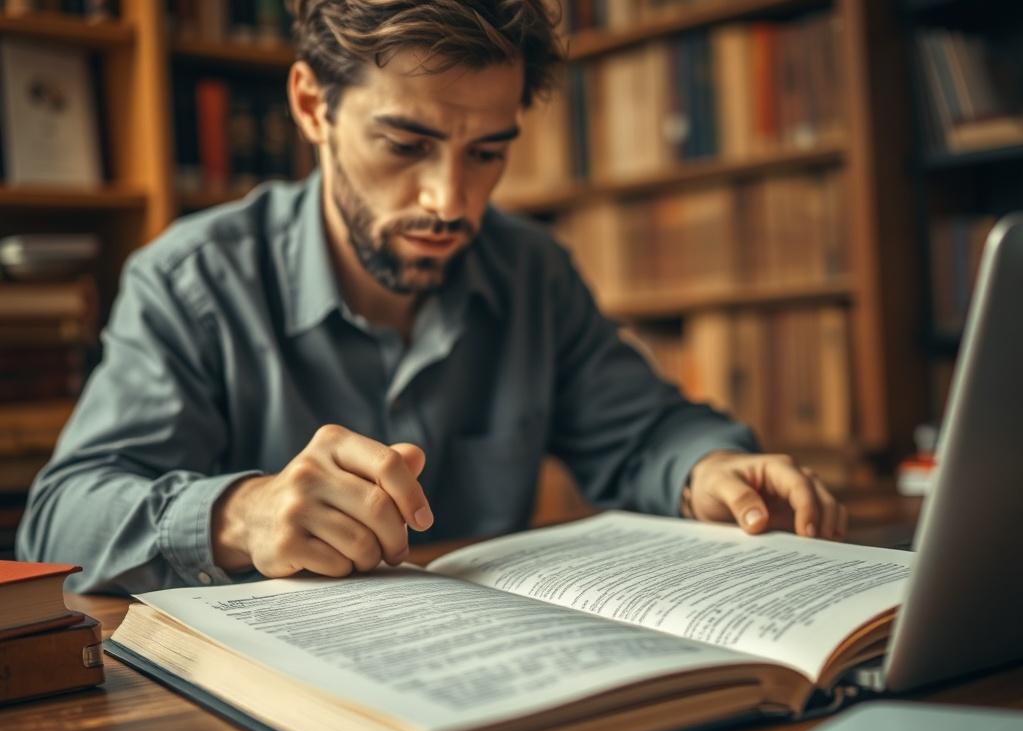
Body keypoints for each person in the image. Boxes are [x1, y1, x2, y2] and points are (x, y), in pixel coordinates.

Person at [17, 0, 845, 594]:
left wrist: (710, 467)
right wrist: (242, 513)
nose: (451, 200)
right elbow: (59, 521)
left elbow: (646, 431)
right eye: (406, 144)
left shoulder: (531, 273)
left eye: (487, 152)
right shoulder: (191, 280)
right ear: (313, 106)